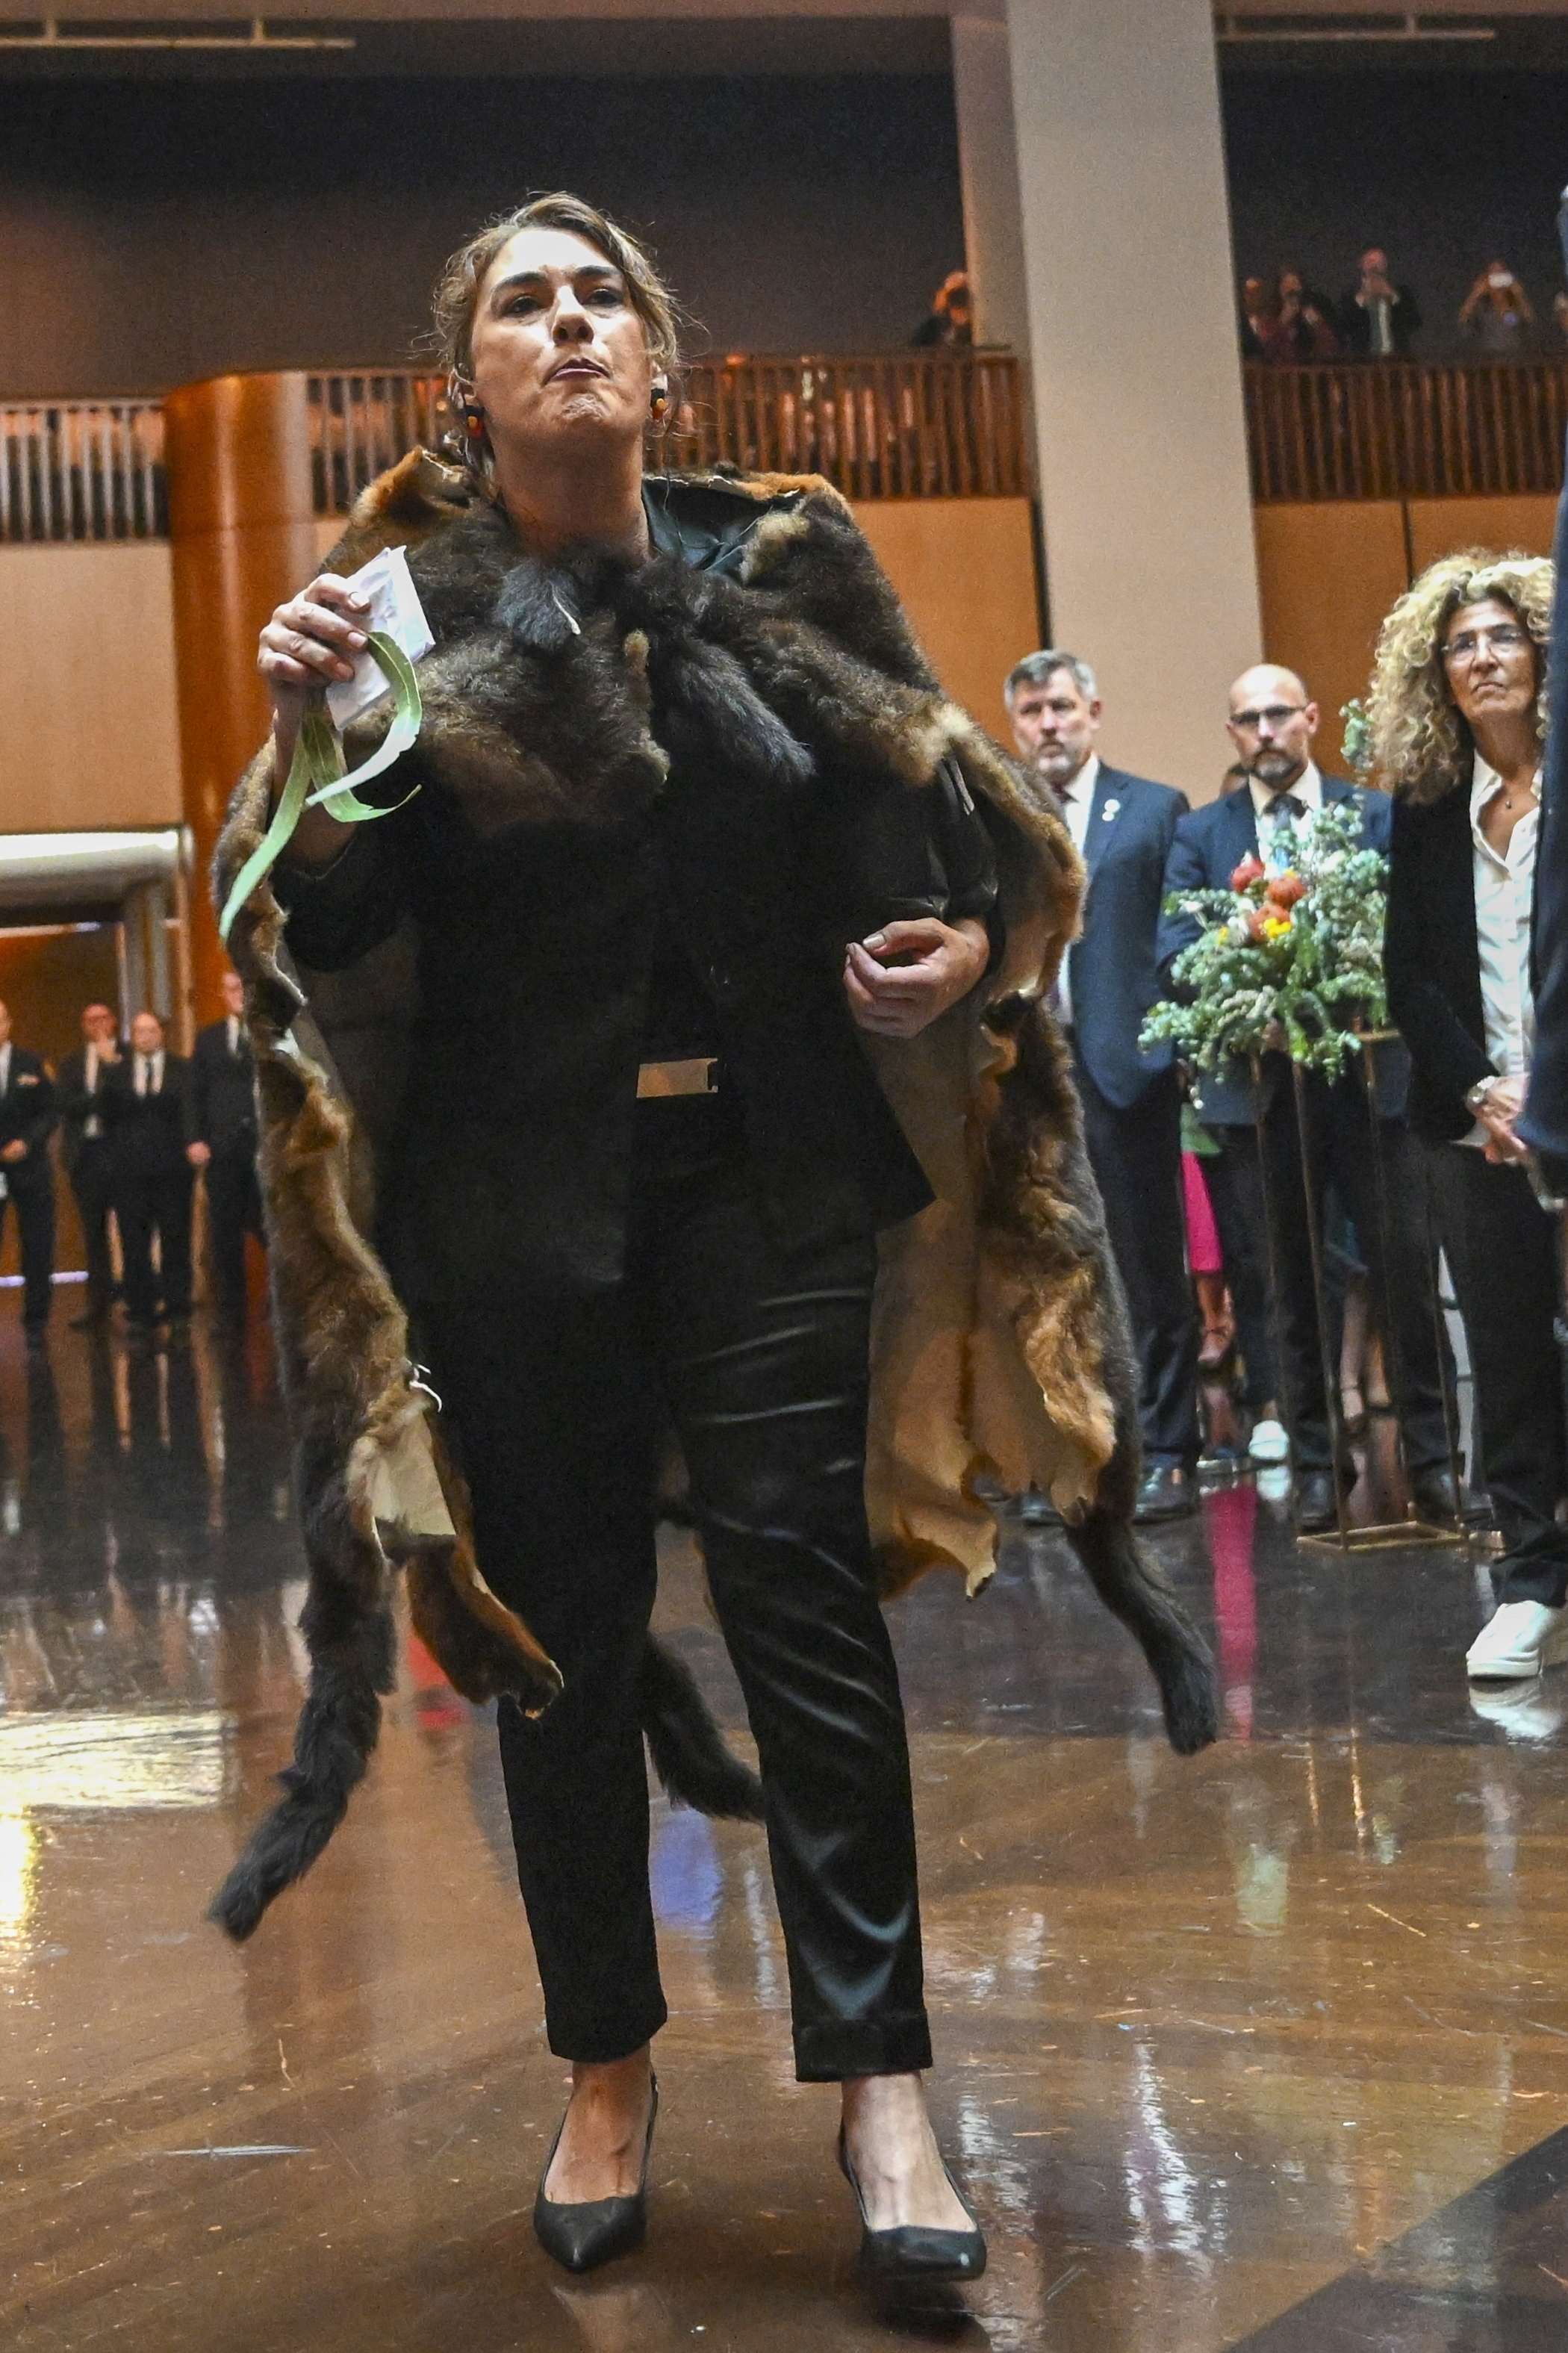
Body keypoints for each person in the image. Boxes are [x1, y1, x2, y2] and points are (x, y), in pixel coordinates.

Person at [208, 193, 1214, 2286]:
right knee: (559, 1637)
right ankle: (603, 2057)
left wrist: (950, 953)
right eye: (521, 304)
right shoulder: (399, 602)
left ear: (661, 363)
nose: (565, 323)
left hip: (770, 1172)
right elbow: (335, 926)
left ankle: (884, 2082)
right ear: (465, 385)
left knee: (804, 1616)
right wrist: (317, 738)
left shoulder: (788, 561)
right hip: (519, 1203)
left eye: (600, 298)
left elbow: (917, 830)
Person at [1157, 665, 1455, 1533]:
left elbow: (1419, 929)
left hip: (1374, 1081)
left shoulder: (1376, 816)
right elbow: (1175, 949)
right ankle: (1319, 1464)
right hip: (1261, 1090)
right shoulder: (1203, 834)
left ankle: (1436, 1461)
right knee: (1288, 1281)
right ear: (1232, 735)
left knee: (1404, 1265)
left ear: (1312, 719)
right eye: (1246, 718)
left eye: (1279, 714)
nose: (1265, 731)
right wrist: (1247, 959)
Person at [1377, 551, 1568, 1679]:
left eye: (1502, 636)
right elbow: (1413, 977)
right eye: (1461, 644)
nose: (1483, 656)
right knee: (1502, 1354)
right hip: (1472, 1121)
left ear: (1543, 653)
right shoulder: (1430, 810)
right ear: (1438, 676)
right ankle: (1534, 1580)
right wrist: (1484, 1090)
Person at [1005, 650, 1200, 1520]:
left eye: (1062, 707)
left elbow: (1178, 945)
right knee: (1056, 1274)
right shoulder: (999, 814)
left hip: (1126, 1074)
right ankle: (1078, 1458)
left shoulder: (1154, 809)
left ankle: (1170, 1450)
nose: (1048, 723)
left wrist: (1167, 1052)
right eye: (1032, 711)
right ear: (1013, 725)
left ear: (1094, 711)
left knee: (1150, 1268)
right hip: (1029, 1078)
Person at [103, 1010, 194, 1337]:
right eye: (139, 1031)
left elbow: (189, 1114)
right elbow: (107, 1119)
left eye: (152, 1030)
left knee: (175, 1239)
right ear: (132, 1036)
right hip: (130, 1173)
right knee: (134, 1240)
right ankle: (140, 1309)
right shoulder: (116, 1074)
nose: (146, 1037)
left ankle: (178, 1306)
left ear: (161, 1034)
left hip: (173, 1171)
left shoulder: (182, 1070)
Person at [187, 969, 262, 1328]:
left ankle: (286, 1312)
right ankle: (233, 1313)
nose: (238, 995)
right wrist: (195, 1139)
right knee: (226, 1235)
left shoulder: (272, 1034)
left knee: (272, 1235)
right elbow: (193, 1095)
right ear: (223, 994)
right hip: (223, 1153)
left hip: (265, 1153)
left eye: (243, 988)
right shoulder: (208, 1040)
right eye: (232, 989)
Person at [56, 1000, 122, 1330]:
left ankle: (138, 1302)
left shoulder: (126, 1056)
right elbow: (68, 1106)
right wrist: (100, 1099)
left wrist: (109, 1070)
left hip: (122, 1157)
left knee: (132, 1230)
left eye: (102, 1018)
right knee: (93, 1235)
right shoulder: (70, 1065)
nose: (97, 1024)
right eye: (89, 1019)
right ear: (83, 1025)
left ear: (113, 1021)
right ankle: (98, 1306)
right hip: (86, 1158)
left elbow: (124, 1102)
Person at [0, 1001, 57, 1340]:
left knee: (37, 1244)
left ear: (9, 1023)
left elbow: (50, 1112)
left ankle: (36, 1320)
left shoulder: (31, 1063)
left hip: (29, 1167)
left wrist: (28, 1142)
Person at [1339, 247, 1421, 358]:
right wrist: (1362, 298)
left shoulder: (1401, 293)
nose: (1375, 266)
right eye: (1371, 261)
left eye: (1379, 261)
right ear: (1361, 265)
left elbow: (1414, 323)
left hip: (1398, 359)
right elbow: (1344, 328)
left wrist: (1392, 296)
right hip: (1364, 362)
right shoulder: (1350, 297)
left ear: (1385, 265)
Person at [1260, 267, 1340, 361]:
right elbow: (1266, 349)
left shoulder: (1309, 313)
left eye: (1294, 283)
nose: (1291, 288)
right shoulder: (1270, 315)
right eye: (1286, 284)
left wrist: (1318, 324)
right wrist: (1283, 322)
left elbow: (1331, 347)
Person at [1458, 261, 1536, 354]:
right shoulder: (1482, 306)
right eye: (1494, 275)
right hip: (1487, 357)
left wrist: (1519, 295)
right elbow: (1464, 322)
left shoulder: (1515, 304)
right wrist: (1475, 294)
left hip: (1515, 356)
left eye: (1501, 274)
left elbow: (1530, 320)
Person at [911, 270, 973, 348]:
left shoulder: (985, 332)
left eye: (963, 295)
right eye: (955, 295)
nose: (959, 300)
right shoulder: (932, 331)